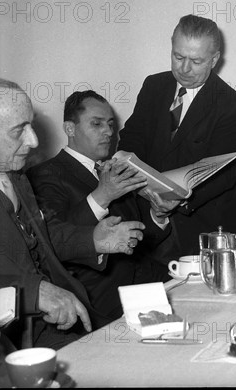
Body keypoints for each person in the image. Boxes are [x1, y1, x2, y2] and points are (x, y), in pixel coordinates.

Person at [0, 78, 143, 349]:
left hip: (46, 326)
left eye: (32, 125)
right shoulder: (42, 174)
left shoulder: (16, 178)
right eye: (19, 130)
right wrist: (34, 291)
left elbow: (44, 241)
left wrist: (93, 241)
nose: (34, 140)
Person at [27, 90, 172, 325]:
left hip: (147, 286)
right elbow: (53, 242)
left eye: (111, 125)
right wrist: (101, 196)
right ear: (70, 129)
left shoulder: (114, 170)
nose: (108, 132)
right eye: (96, 124)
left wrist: (158, 214)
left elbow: (139, 238)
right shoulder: (44, 175)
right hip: (97, 300)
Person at [118, 14, 236, 258]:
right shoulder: (153, 86)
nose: (184, 69)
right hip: (149, 225)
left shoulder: (232, 107)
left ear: (214, 60)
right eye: (178, 57)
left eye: (196, 61)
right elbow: (131, 139)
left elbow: (224, 175)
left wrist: (177, 200)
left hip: (204, 230)